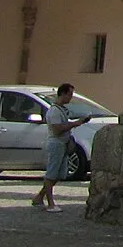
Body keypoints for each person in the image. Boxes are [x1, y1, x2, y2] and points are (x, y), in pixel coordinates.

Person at [32, 83, 91, 211]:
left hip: (63, 143)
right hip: (56, 144)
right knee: (52, 173)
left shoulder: (62, 110)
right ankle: (50, 203)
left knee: (60, 174)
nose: (70, 97)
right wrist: (75, 124)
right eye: (69, 94)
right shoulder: (54, 111)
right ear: (63, 94)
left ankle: (40, 197)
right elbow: (57, 129)